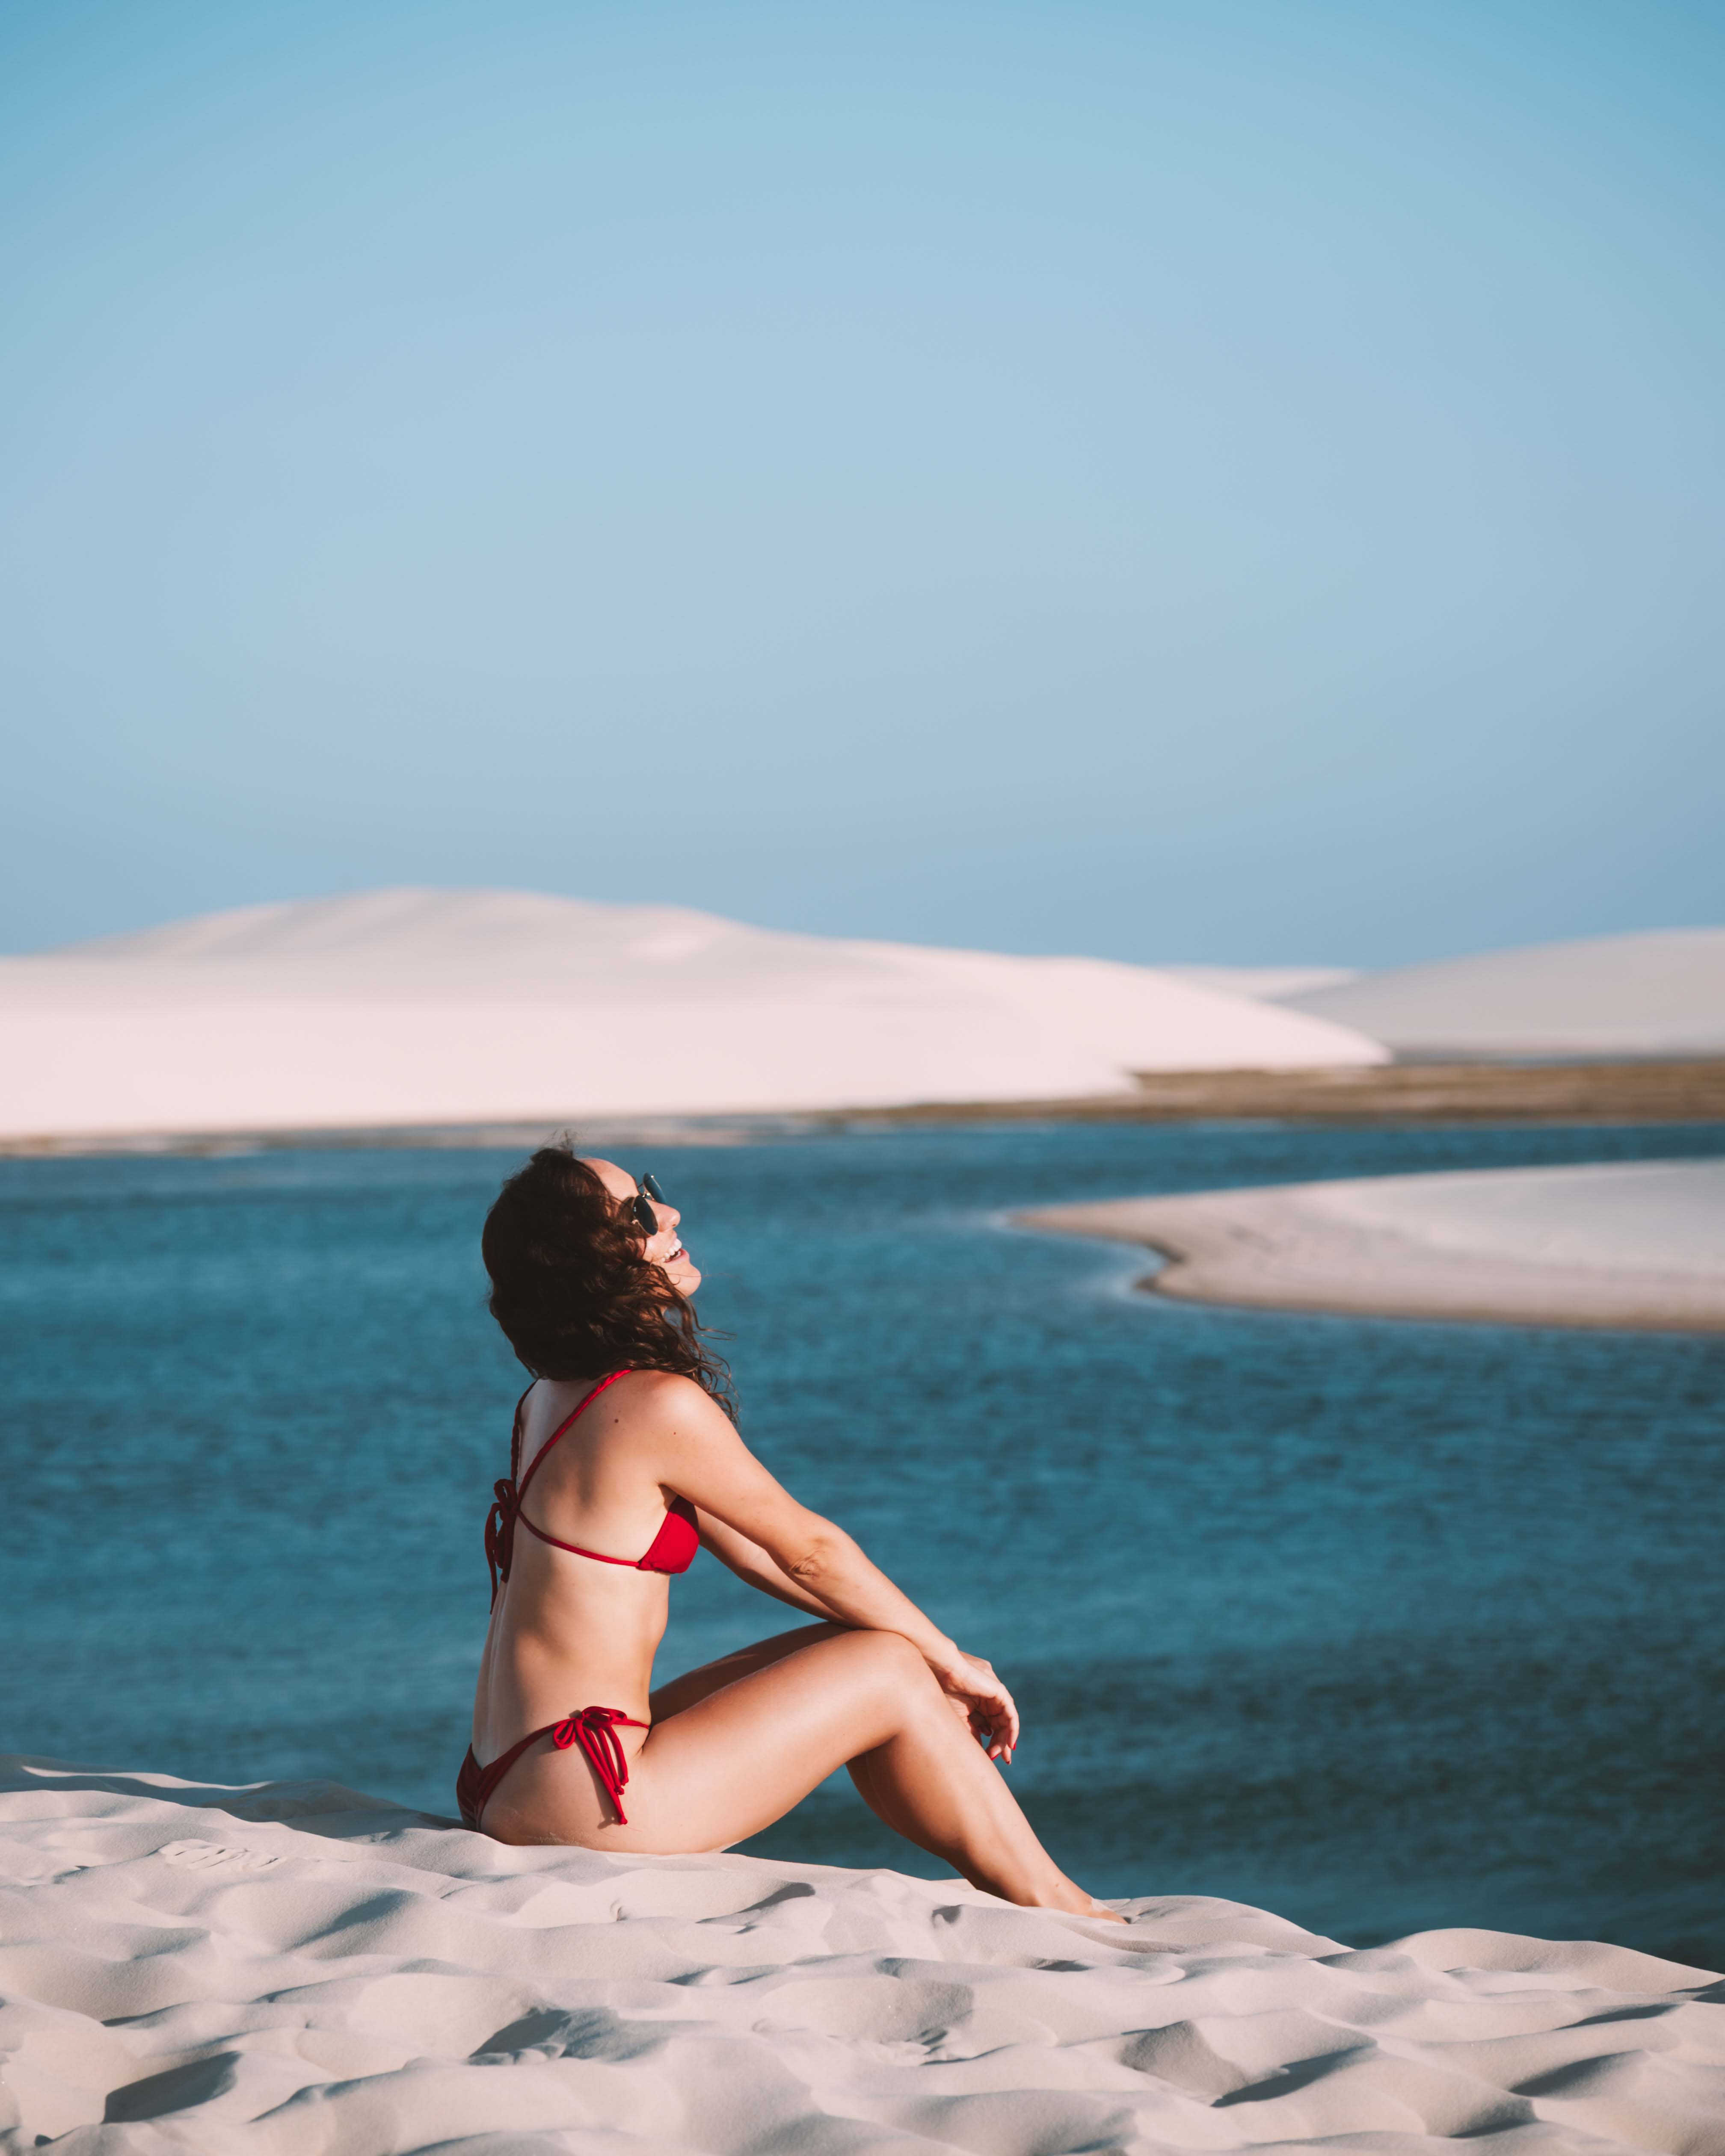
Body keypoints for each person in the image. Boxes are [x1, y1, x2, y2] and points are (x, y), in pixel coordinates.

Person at [460, 1145, 1120, 1918]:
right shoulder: (653, 1405)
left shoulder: (551, 1397)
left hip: (509, 1779)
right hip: (588, 1801)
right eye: (636, 1214)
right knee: (889, 1666)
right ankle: (1062, 1907)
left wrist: (934, 1659)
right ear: (587, 1262)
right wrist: (953, 1661)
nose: (668, 1214)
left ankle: (1034, 1893)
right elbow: (811, 1552)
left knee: (884, 1651)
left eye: (651, 1193)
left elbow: (758, 1554)